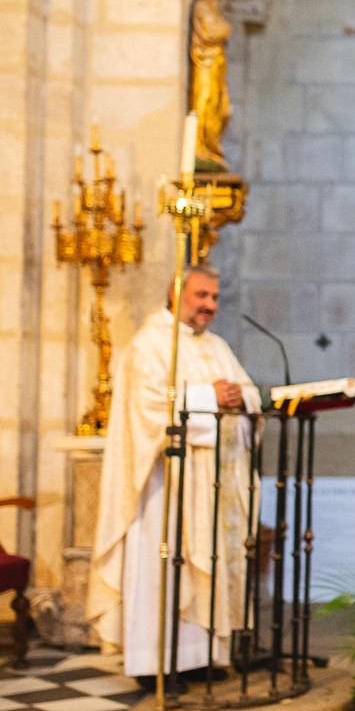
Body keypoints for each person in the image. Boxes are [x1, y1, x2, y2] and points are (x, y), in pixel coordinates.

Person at [88, 266, 260, 681]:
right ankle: (155, 663)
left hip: (213, 482)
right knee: (165, 570)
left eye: (216, 298)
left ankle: (201, 658)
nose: (210, 306)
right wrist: (209, 397)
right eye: (202, 295)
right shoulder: (149, 344)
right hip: (167, 486)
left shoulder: (217, 346)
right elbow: (144, 409)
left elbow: (249, 392)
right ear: (176, 292)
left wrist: (240, 400)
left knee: (209, 565)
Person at [190, 0, 232, 170]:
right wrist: (224, 29)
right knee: (204, 102)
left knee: (221, 109)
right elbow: (210, 32)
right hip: (205, 63)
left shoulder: (214, 10)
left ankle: (210, 149)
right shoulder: (201, 6)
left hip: (216, 64)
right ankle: (199, 147)